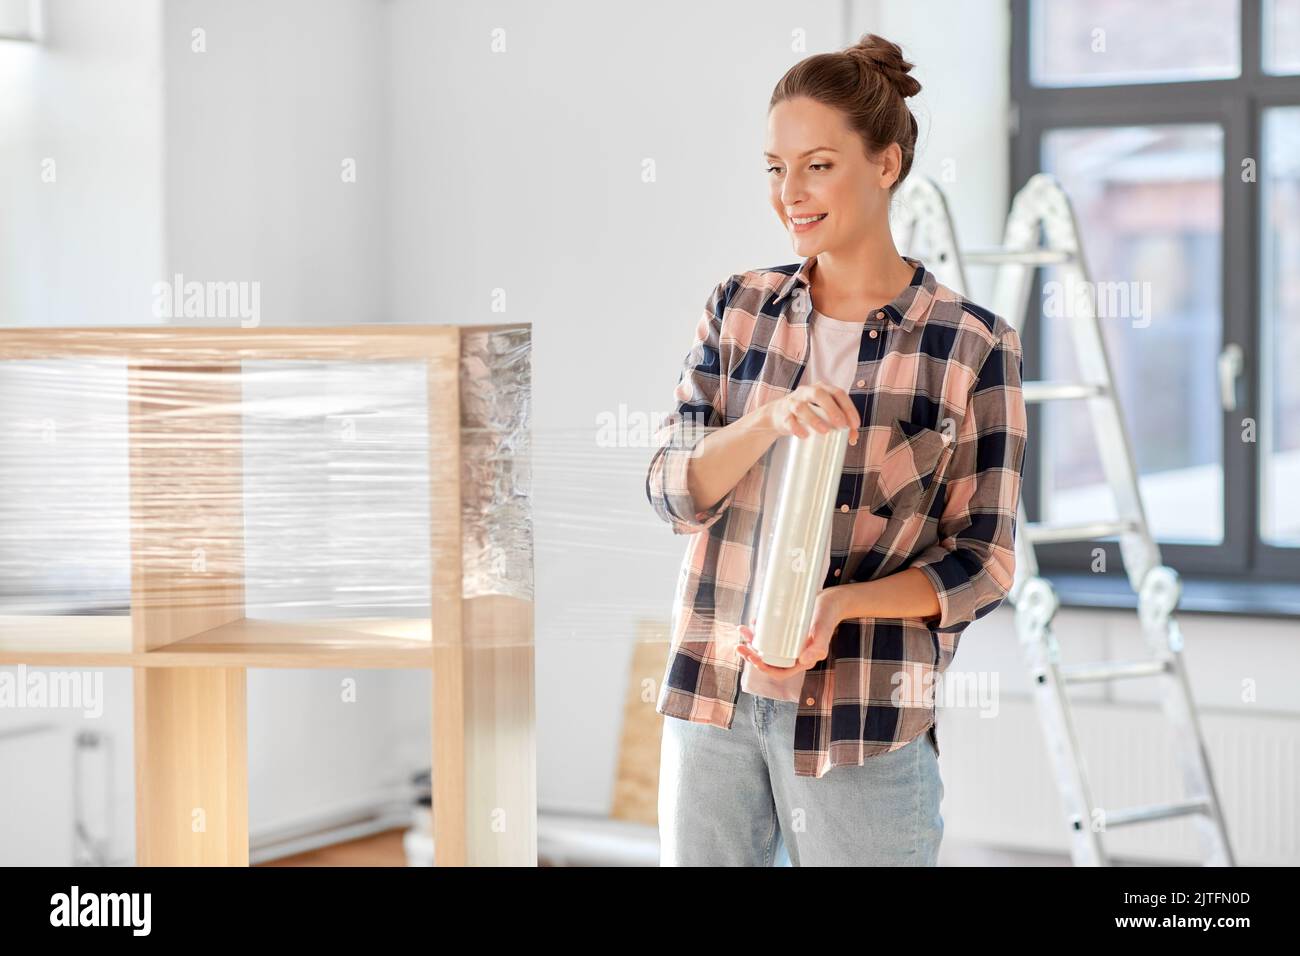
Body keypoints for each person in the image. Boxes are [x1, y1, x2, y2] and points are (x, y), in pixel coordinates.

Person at [646, 33, 1028, 866]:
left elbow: (986, 564)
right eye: (776, 168)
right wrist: (767, 421)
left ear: (885, 163)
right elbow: (673, 490)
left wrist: (841, 608)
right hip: (713, 700)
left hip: (865, 719)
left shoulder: (971, 345)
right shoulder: (739, 308)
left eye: (818, 164)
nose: (792, 193)